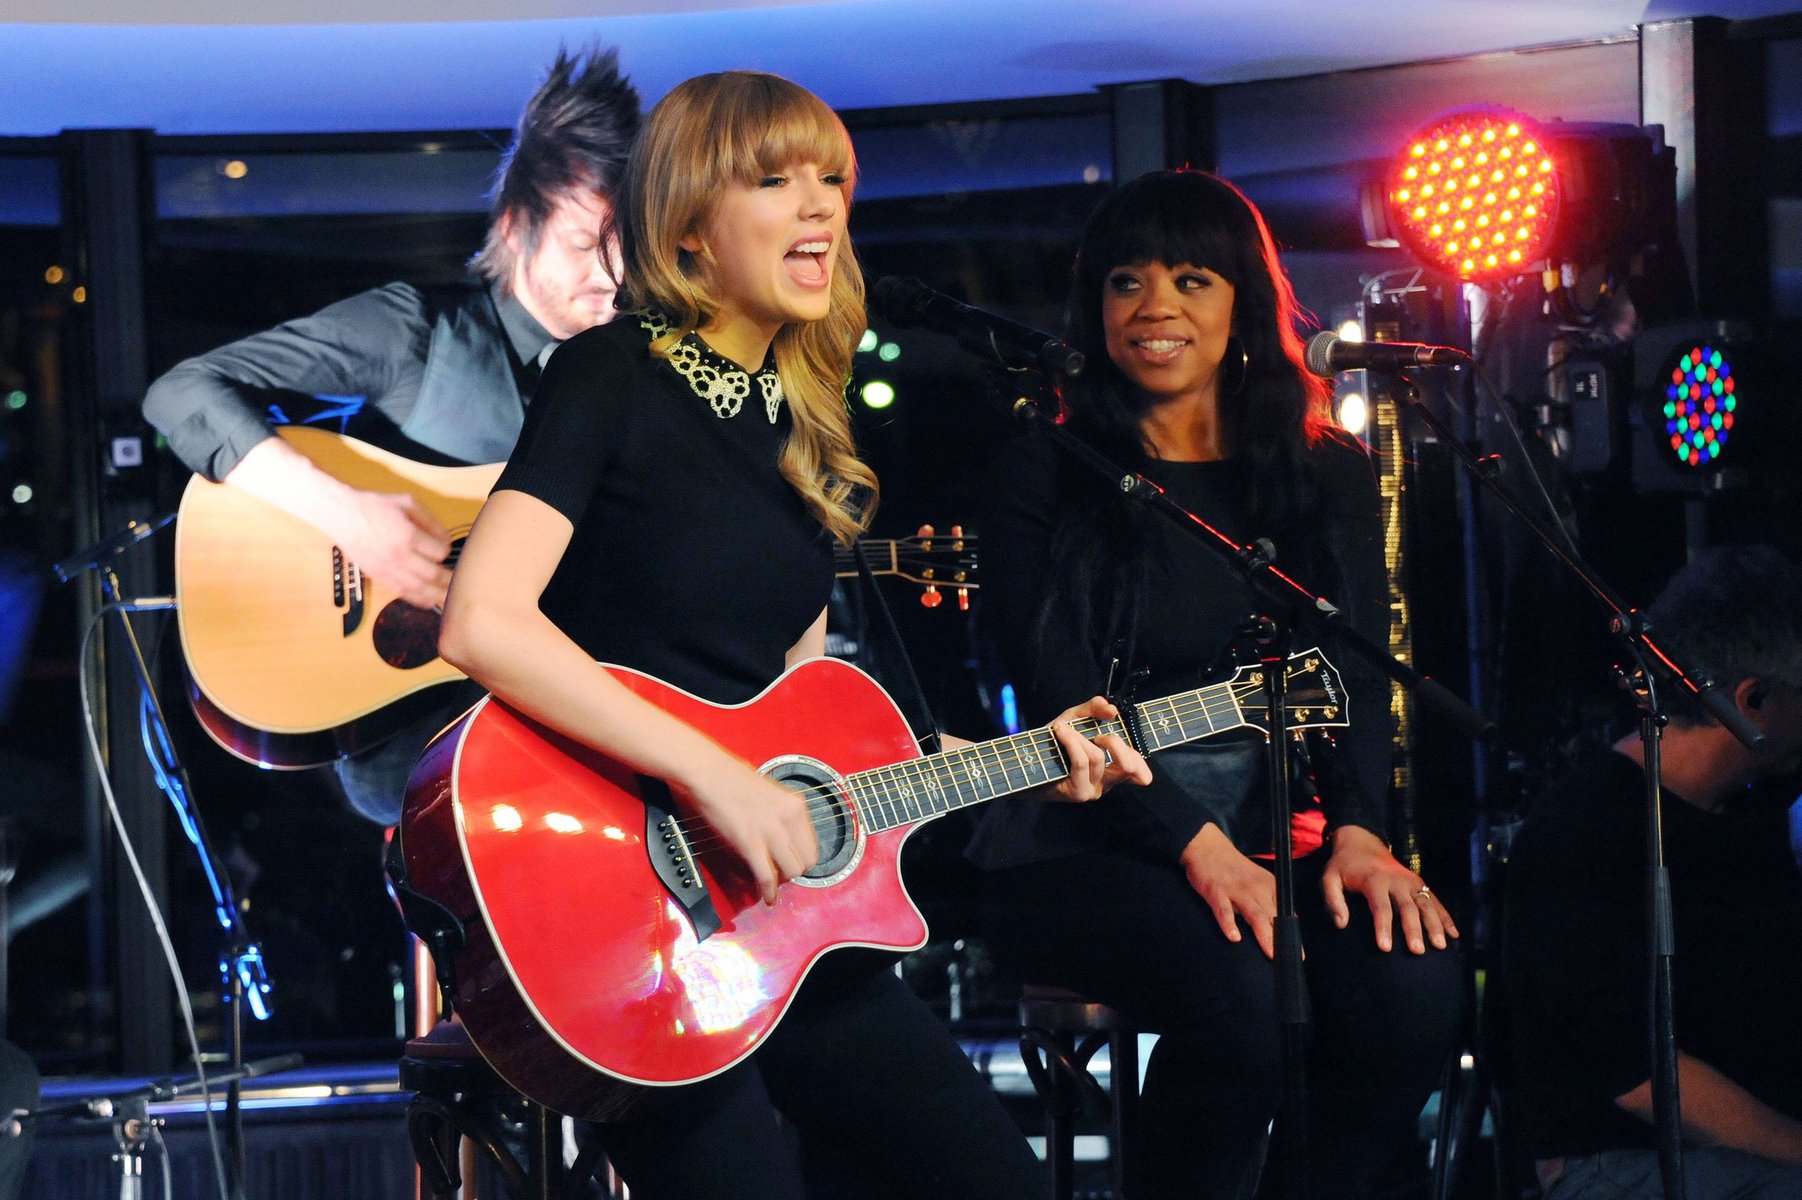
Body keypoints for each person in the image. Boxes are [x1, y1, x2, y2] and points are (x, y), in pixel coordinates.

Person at [436, 70, 1149, 1199]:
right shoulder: (609, 372)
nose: (819, 205)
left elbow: (804, 723)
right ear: (687, 227)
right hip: (616, 910)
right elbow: (482, 621)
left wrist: (1003, 770)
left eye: (832, 179)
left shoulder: (802, 432)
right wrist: (711, 779)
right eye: (775, 180)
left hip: (774, 921)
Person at [969, 168, 1466, 1200]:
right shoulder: (1041, 469)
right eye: (1124, 282)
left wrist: (1361, 835)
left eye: (1190, 279)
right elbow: (1060, 702)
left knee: (1410, 988)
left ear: (1240, 301)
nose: (1153, 309)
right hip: (1077, 843)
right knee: (1242, 996)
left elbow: (1360, 673)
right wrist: (1194, 847)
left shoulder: (1321, 470)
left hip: (1270, 836)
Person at [142, 45, 641, 824]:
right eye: (585, 243)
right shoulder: (415, 332)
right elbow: (182, 392)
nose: (612, 277)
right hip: (419, 740)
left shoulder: (633, 378)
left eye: (626, 248)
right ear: (515, 229)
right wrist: (351, 518)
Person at [1505, 544, 1802, 1200]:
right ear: (1755, 699)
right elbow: (1638, 1077)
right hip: (1615, 1165)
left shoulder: (1755, 816)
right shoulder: (1587, 831)